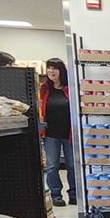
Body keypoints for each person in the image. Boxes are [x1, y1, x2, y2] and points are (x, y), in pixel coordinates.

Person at [39, 58, 75, 207]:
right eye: (49, 68)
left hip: (69, 133)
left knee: (72, 165)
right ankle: (56, 195)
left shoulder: (69, 88)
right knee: (52, 166)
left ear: (62, 71)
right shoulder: (45, 88)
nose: (51, 71)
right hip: (51, 134)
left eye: (54, 68)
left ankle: (74, 194)